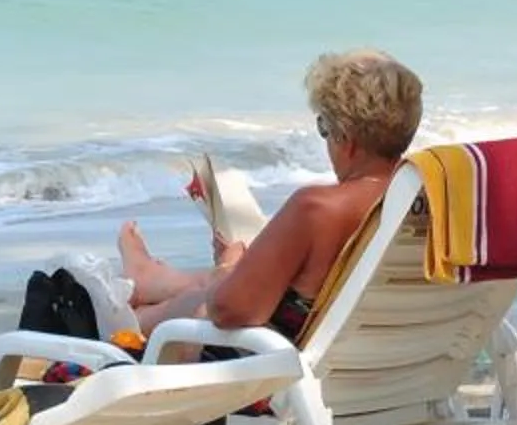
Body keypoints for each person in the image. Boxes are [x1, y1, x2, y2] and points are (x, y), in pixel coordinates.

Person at [117, 49, 422, 340]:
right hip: (385, 357)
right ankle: (150, 283)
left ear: (347, 139)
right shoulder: (430, 203)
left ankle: (129, 319)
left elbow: (231, 310)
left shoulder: (317, 208)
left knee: (206, 300)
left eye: (324, 127)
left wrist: (228, 268)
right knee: (224, 280)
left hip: (282, 369)